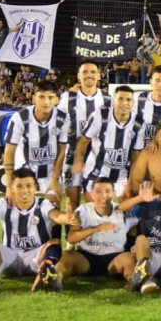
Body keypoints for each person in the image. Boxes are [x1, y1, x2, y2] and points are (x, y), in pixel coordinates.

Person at [54, 178, 138, 282]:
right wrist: (94, 229)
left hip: (114, 258)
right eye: (98, 192)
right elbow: (71, 238)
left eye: (107, 191)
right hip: (87, 257)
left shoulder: (122, 211)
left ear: (114, 193)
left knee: (130, 258)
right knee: (68, 256)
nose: (103, 196)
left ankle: (134, 282)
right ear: (92, 194)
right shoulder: (83, 211)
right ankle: (53, 279)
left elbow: (135, 227)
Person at [72, 85, 145, 200]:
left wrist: (131, 181)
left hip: (122, 176)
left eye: (128, 100)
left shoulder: (139, 123)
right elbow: (83, 141)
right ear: (113, 100)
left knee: (124, 210)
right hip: (97, 172)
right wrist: (79, 161)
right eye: (120, 99)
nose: (124, 103)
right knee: (94, 207)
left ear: (133, 103)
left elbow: (136, 155)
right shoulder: (100, 115)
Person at [3, 80, 69, 205]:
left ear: (57, 99)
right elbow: (9, 151)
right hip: (23, 170)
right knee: (21, 211)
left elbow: (62, 150)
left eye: (50, 97)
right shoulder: (20, 117)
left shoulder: (63, 118)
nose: (46, 102)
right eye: (41, 97)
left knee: (53, 210)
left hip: (49, 172)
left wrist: (55, 180)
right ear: (34, 98)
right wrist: (9, 185)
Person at [58, 60, 111, 213]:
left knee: (96, 204)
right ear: (79, 76)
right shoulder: (68, 98)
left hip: (96, 160)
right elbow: (58, 126)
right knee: (71, 204)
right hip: (71, 158)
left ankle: (95, 236)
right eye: (85, 72)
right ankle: (71, 237)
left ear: (99, 76)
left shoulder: (108, 100)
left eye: (93, 72)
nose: (89, 75)